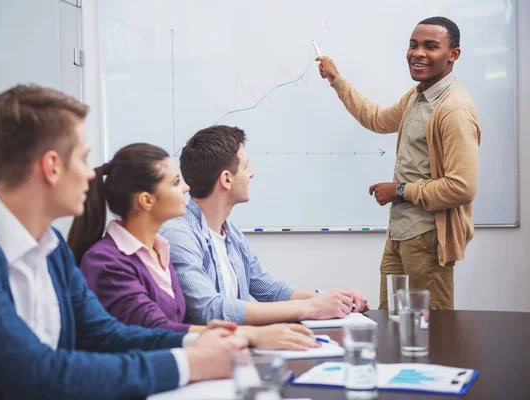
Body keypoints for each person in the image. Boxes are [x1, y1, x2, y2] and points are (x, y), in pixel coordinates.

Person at [0, 85, 248, 400]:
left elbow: (107, 335)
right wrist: (188, 363)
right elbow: (37, 373)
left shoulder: (49, 244)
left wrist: (202, 341)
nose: (91, 174)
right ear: (52, 167)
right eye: (83, 159)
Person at [68, 143, 321, 351]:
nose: (186, 188)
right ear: (146, 201)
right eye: (176, 182)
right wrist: (250, 335)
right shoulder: (107, 262)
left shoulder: (160, 250)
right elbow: (156, 328)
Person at [315, 16, 481, 310]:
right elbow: (377, 119)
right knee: (390, 326)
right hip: (401, 233)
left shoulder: (453, 109)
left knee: (431, 334)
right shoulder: (418, 96)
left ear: (453, 55)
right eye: (413, 45)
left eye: (431, 46)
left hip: (428, 238)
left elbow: (462, 187)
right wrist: (337, 80)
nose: (418, 53)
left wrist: (400, 191)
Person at [160, 125, 369, 326]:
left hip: (237, 349)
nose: (251, 173)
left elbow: (272, 290)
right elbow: (210, 310)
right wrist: (311, 307)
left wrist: (334, 300)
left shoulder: (232, 235)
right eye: (245, 166)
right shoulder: (179, 234)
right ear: (226, 179)